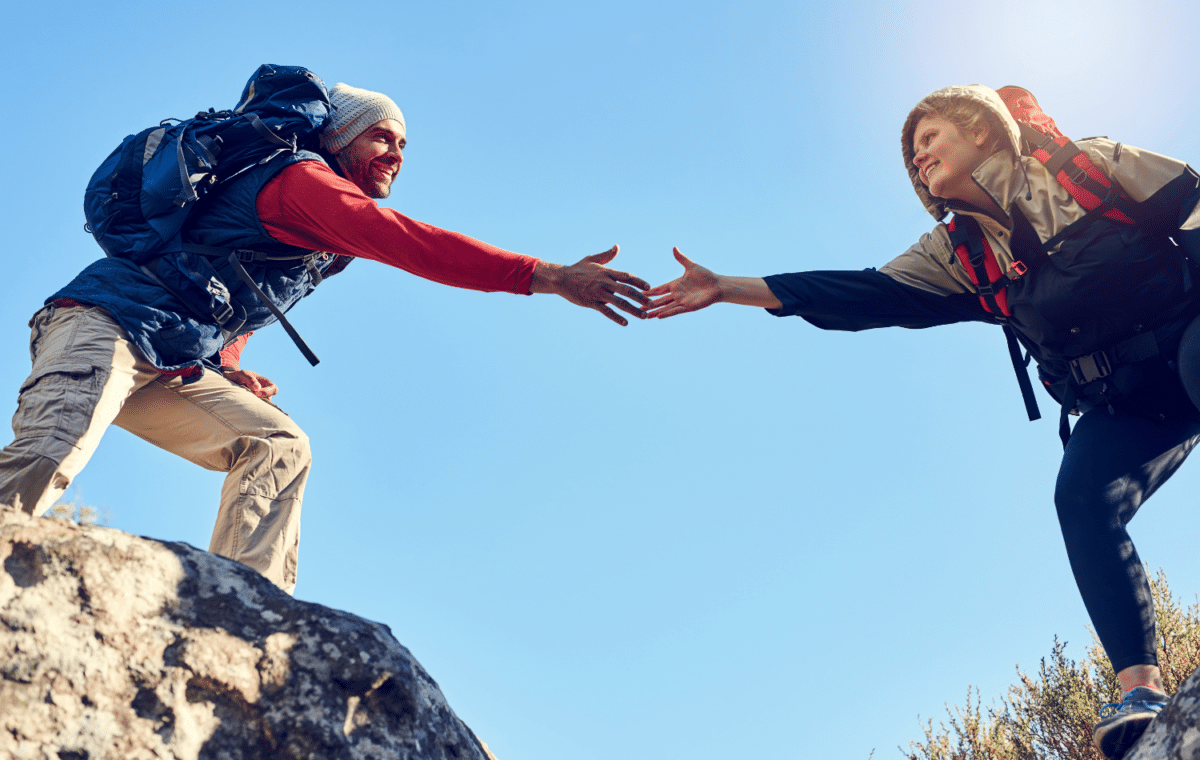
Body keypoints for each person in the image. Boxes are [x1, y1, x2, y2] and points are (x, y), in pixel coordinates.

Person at [644, 84, 1200, 760]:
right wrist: (731, 287)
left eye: (931, 136)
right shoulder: (956, 255)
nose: (919, 155)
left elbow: (1191, 199)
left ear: (985, 131)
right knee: (1080, 497)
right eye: (912, 154)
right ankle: (1140, 691)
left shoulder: (1087, 166)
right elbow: (866, 294)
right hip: (1129, 401)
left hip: (1190, 339)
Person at [0, 81, 650, 596]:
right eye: (382, 136)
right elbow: (411, 244)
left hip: (170, 359)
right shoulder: (300, 183)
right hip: (104, 322)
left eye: (404, 145)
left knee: (277, 443)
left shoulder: (317, 233)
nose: (397, 153)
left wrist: (227, 371)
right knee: (50, 452)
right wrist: (546, 275)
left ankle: (241, 603)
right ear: (339, 136)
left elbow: (232, 296)